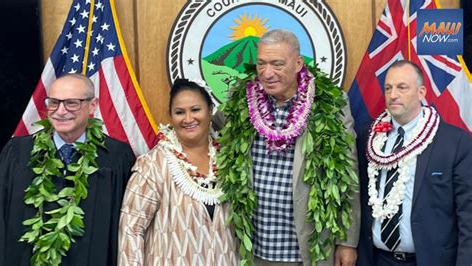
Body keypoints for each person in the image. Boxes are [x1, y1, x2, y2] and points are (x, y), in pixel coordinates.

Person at [215, 29, 360, 265]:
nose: (267, 73)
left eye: (277, 64)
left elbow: (348, 174)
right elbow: (209, 135)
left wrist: (347, 242)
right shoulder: (241, 98)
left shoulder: (331, 104)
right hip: (253, 250)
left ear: (298, 63)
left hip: (308, 250)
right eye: (261, 64)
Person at [0, 74, 135, 265]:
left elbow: (128, 227)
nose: (60, 111)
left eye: (72, 103)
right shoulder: (18, 154)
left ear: (92, 106)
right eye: (54, 102)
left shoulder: (116, 157)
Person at [356, 60, 472, 266]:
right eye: (388, 88)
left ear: (421, 92)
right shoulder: (368, 136)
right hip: (377, 259)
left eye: (402, 87)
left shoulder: (454, 142)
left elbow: (468, 214)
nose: (393, 95)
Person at [118, 79, 238, 265]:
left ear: (210, 110)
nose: (188, 119)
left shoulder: (230, 160)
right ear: (171, 116)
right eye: (180, 112)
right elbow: (131, 230)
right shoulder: (152, 165)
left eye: (195, 109)